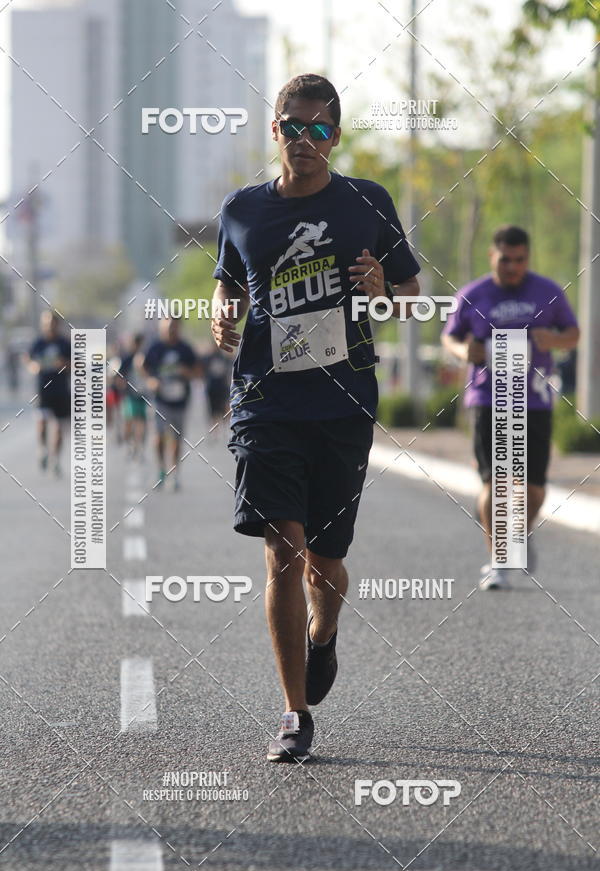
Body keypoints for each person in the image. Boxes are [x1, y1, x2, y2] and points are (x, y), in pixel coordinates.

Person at [211, 73, 420, 762]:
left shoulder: (367, 202)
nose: (304, 140)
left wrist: (381, 289)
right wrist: (221, 308)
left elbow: (408, 299)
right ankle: (294, 715)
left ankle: (323, 633)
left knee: (325, 566)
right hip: (266, 403)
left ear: (336, 135)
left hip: (342, 403)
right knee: (283, 550)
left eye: (319, 129)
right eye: (292, 127)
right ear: (275, 130)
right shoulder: (241, 210)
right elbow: (228, 279)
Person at [442, 225, 579, 590]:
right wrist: (462, 352)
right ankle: (498, 559)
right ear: (493, 256)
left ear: (527, 259)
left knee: (533, 489)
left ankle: (517, 533)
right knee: (498, 482)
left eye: (519, 261)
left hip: (535, 399)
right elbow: (450, 336)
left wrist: (554, 339)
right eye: (505, 260)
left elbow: (573, 332)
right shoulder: (473, 295)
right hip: (489, 398)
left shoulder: (547, 292)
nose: (513, 267)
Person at [143, 317, 196, 489]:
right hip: (160, 399)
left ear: (178, 328)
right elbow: (140, 363)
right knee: (158, 437)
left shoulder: (185, 348)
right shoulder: (155, 347)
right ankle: (160, 470)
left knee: (176, 439)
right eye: (166, 328)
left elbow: (199, 370)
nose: (169, 331)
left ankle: (174, 474)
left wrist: (186, 372)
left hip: (180, 400)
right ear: (161, 328)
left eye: (173, 327)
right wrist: (150, 380)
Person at [27, 310, 71, 476]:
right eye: (45, 323)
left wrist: (65, 364)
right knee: (42, 422)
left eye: (51, 323)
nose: (48, 326)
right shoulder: (38, 343)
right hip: (43, 389)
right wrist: (33, 366)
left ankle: (56, 459)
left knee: (59, 427)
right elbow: (28, 359)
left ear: (56, 324)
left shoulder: (64, 343)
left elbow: (76, 364)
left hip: (60, 390)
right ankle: (43, 449)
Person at [119, 333, 148, 459]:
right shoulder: (127, 358)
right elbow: (120, 376)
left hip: (143, 394)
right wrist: (122, 385)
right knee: (129, 421)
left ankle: (139, 446)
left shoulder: (145, 358)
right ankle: (129, 444)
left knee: (141, 421)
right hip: (129, 394)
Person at [199, 344, 231, 436]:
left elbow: (229, 368)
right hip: (211, 387)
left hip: (222, 387)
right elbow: (201, 368)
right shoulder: (208, 358)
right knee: (213, 410)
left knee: (225, 407)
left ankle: (226, 427)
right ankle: (214, 430)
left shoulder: (223, 357)